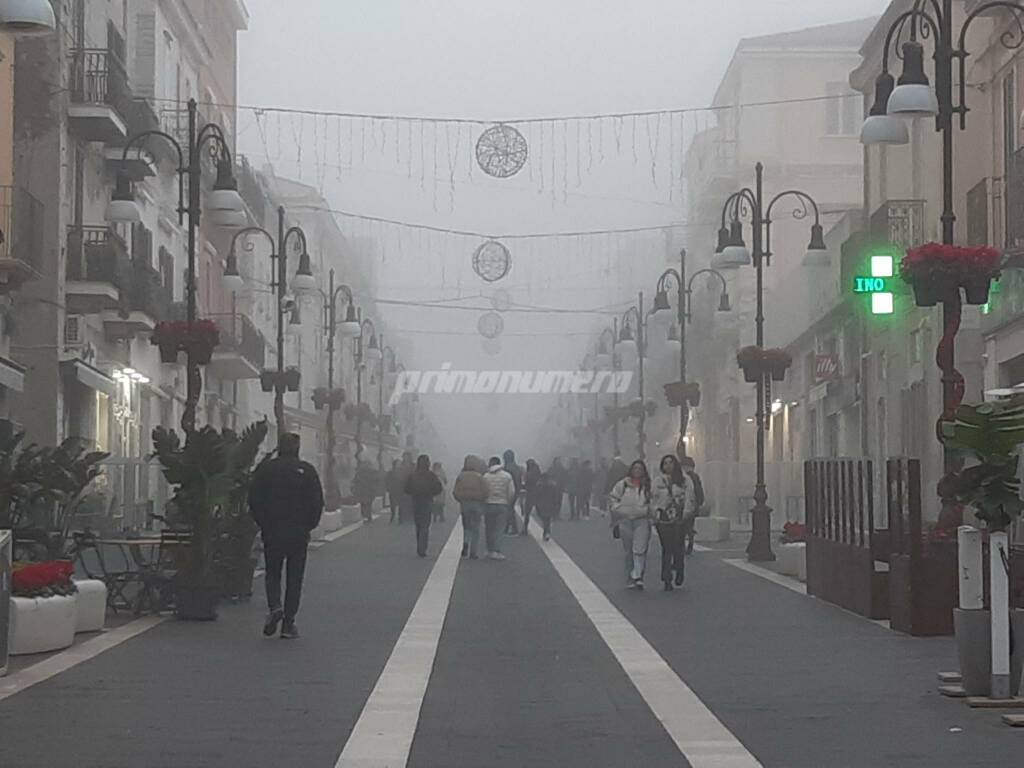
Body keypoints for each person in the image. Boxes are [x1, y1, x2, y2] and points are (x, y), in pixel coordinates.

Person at [248, 433, 324, 639]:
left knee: (272, 572)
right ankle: (289, 623)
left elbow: (253, 498)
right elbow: (317, 502)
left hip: (272, 531)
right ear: (297, 448)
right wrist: (308, 525)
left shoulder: (266, 470)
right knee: (294, 577)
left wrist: (263, 522)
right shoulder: (307, 471)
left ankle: (275, 606)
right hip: (298, 533)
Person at [652, 455, 696, 591]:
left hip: (679, 517)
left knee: (678, 547)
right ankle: (666, 578)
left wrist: (686, 513)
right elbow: (653, 498)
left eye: (670, 463)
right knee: (666, 548)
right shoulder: (658, 481)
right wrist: (655, 513)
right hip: (663, 518)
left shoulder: (685, 480)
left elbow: (690, 497)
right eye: (665, 463)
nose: (668, 466)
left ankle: (679, 569)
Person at [609, 460, 653, 590]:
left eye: (640, 469)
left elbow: (653, 500)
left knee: (640, 549)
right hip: (625, 520)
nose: (637, 471)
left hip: (642, 520)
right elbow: (613, 499)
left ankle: (638, 576)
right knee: (628, 551)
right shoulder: (622, 485)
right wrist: (619, 510)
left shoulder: (648, 486)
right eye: (635, 468)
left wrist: (649, 511)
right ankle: (630, 575)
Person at [404, 454, 443, 557]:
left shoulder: (413, 475)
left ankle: (419, 545)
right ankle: (423, 548)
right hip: (427, 501)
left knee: (418, 524)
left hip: (416, 501)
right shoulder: (431, 475)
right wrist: (431, 493)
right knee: (425, 525)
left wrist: (414, 492)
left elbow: (406, 489)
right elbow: (438, 488)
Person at [453, 455, 487, 558]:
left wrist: (460, 499)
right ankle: (473, 552)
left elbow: (455, 491)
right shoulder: (479, 476)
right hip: (477, 503)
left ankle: (466, 542)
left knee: (467, 527)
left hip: (465, 504)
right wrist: (482, 499)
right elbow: (485, 490)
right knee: (476, 528)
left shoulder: (461, 476)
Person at [483, 456, 515, 560]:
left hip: (488, 504)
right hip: (502, 504)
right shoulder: (507, 476)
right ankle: (496, 551)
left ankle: (489, 550)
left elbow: (483, 491)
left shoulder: (486, 476)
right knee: (499, 529)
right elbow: (511, 492)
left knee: (489, 528)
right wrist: (508, 502)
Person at [680, 456, 706, 554]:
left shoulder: (684, 477)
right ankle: (690, 542)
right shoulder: (695, 476)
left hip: (685, 504)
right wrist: (699, 502)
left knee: (683, 526)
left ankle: (685, 544)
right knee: (689, 525)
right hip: (693, 504)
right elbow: (699, 490)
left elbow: (698, 490)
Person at [535, 471, 561, 542]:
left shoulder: (539, 486)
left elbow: (537, 496)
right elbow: (555, 497)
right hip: (550, 505)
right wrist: (556, 505)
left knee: (544, 520)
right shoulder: (553, 486)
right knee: (548, 520)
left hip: (541, 505)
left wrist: (536, 504)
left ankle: (546, 532)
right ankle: (547, 532)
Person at [502, 449, 524, 534]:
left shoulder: (507, 468)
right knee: (510, 509)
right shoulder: (517, 468)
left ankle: (512, 528)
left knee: (508, 510)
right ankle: (508, 528)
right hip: (516, 491)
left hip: (509, 491)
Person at [521, 458, 542, 534]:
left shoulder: (528, 473)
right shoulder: (538, 472)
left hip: (530, 494)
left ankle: (525, 529)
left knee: (527, 513)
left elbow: (526, 483)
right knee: (541, 513)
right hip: (539, 495)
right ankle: (547, 529)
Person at [396, 452, 415, 525]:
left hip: (412, 487)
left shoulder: (414, 466)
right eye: (404, 457)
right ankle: (401, 517)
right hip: (402, 487)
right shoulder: (400, 466)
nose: (406, 458)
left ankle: (411, 517)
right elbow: (398, 476)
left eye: (407, 457)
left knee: (411, 503)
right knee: (402, 503)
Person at [385, 459, 402, 523]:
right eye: (398, 464)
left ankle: (400, 517)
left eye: (399, 464)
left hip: (400, 490)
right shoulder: (390, 472)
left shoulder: (402, 472)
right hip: (393, 490)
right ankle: (393, 516)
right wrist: (388, 488)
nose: (399, 465)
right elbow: (387, 481)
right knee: (392, 505)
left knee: (401, 504)